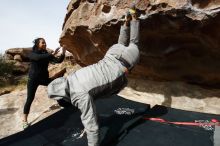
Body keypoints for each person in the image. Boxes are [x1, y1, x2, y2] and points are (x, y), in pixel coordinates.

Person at [48, 8, 140, 146]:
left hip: (125, 61)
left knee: (134, 43)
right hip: (111, 53)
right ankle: (126, 23)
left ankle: (135, 20)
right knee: (121, 43)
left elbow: (92, 126)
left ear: (66, 98)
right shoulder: (72, 77)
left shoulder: (79, 96)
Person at [22, 38, 66, 129]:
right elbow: (37, 58)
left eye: (45, 42)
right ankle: (24, 121)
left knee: (56, 87)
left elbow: (58, 61)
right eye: (43, 43)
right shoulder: (32, 53)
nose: (45, 44)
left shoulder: (46, 54)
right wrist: (51, 54)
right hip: (33, 79)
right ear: (38, 44)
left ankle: (62, 103)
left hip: (44, 78)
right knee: (30, 98)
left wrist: (63, 52)